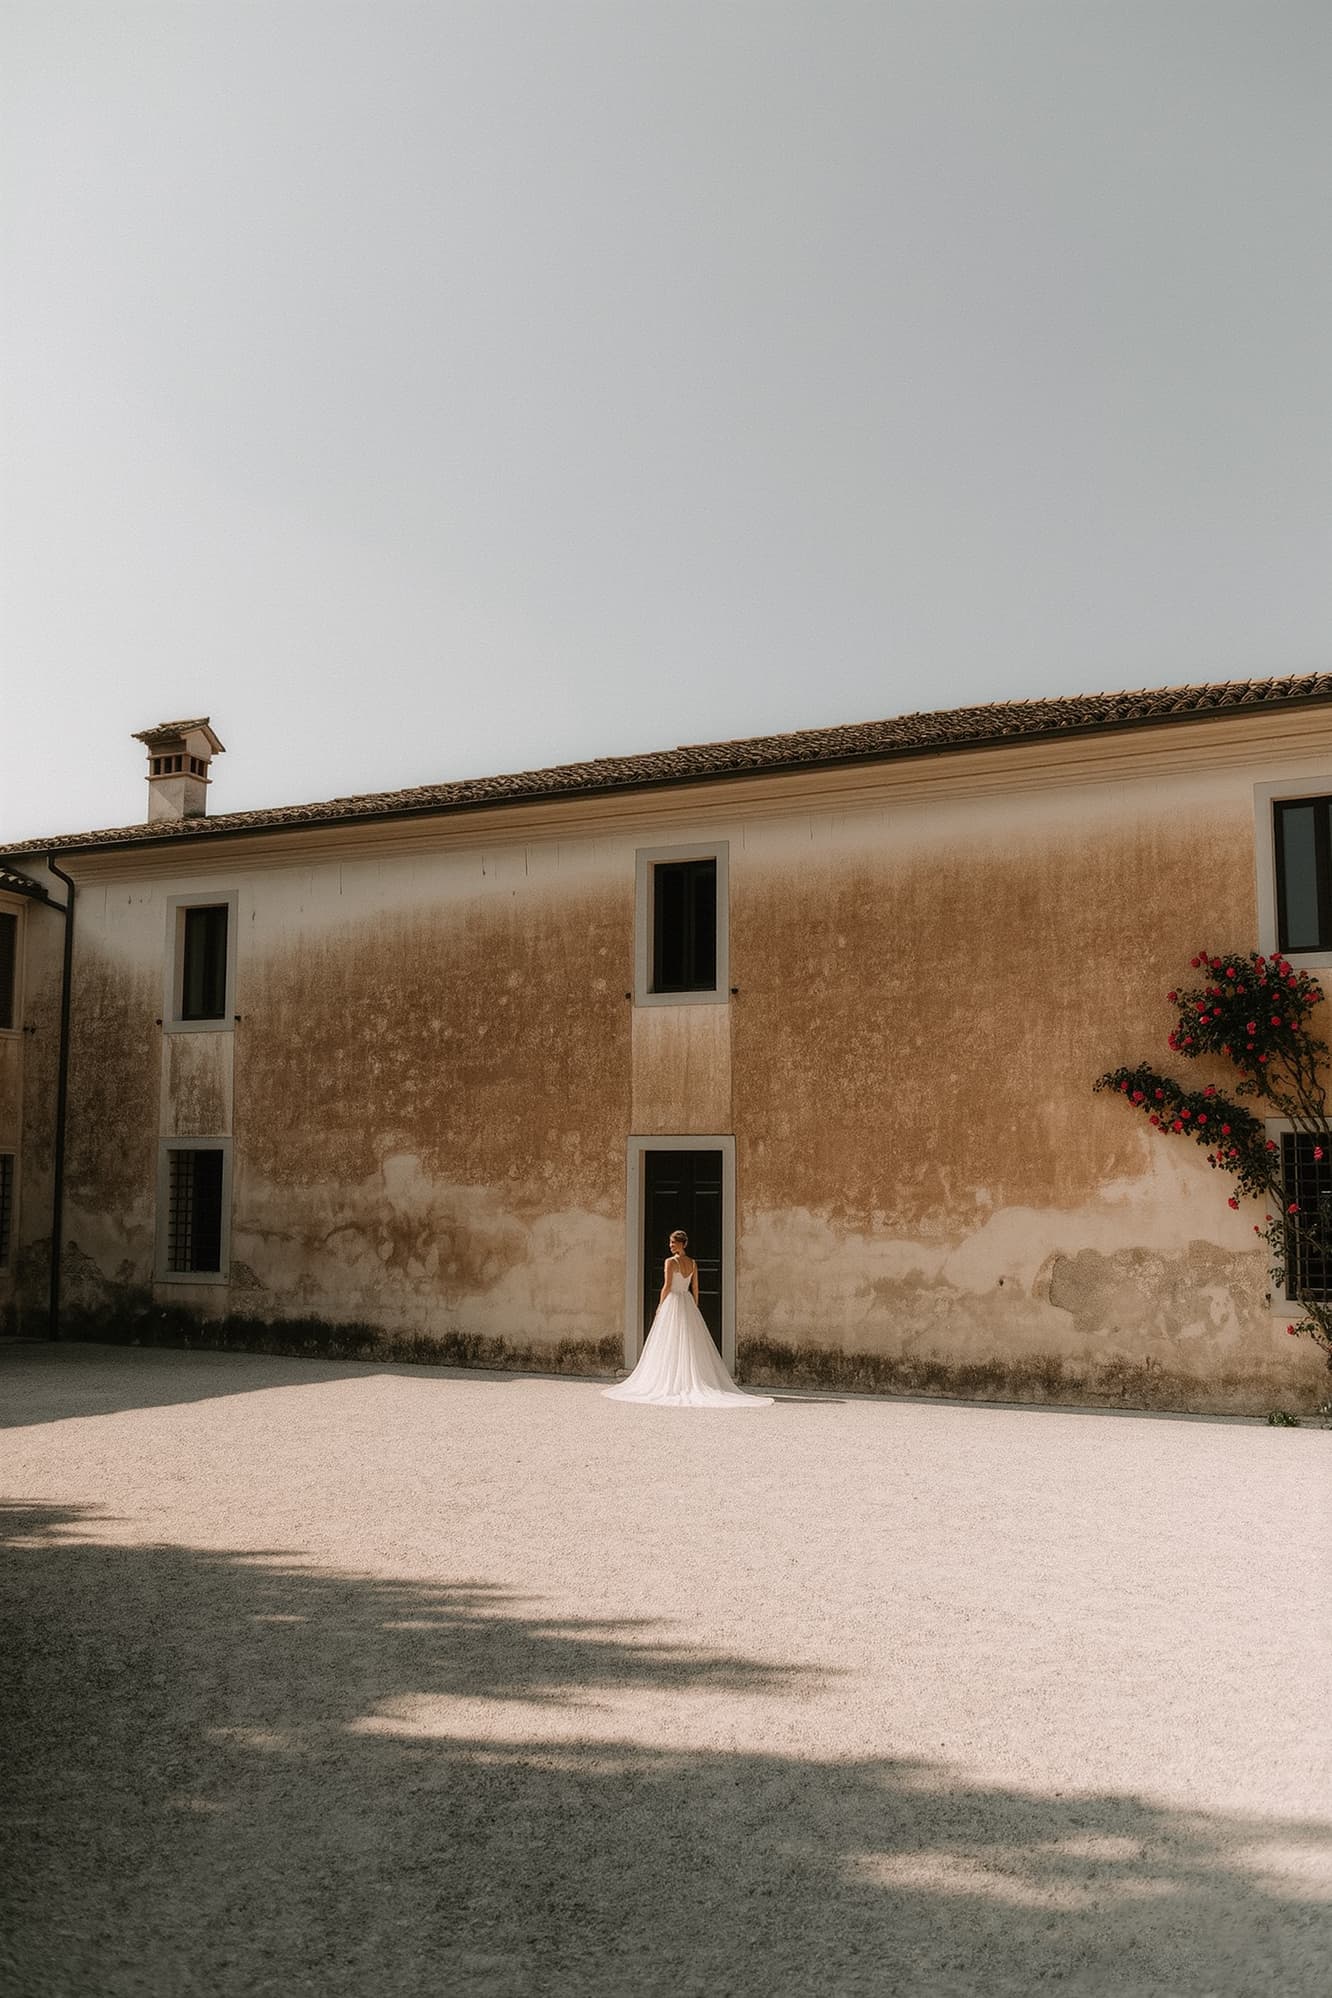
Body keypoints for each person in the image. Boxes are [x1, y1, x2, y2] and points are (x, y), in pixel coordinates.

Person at [603, 1230, 773, 1408]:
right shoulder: (692, 1263)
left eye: (673, 1242)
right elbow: (695, 1287)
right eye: (670, 1242)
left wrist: (660, 1305)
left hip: (674, 1301)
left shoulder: (670, 1262)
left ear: (682, 1244)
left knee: (671, 1339)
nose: (670, 1245)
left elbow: (667, 1286)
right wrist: (695, 1305)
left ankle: (671, 1380)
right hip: (687, 1301)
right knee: (688, 1340)